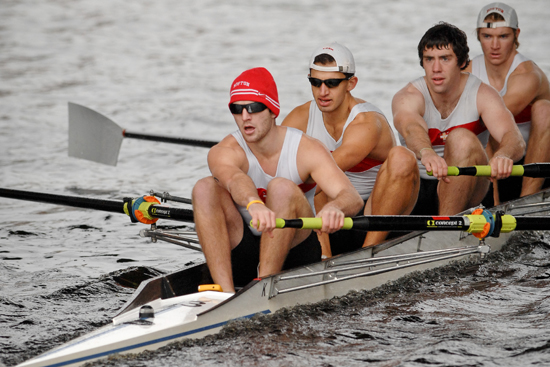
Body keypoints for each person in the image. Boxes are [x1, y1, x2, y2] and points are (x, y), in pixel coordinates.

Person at [192, 67, 363, 293]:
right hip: (245, 248)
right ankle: (224, 294)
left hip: (295, 250)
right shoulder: (225, 150)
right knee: (204, 188)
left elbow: (351, 197)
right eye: (237, 109)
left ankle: (263, 287)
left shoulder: (305, 149)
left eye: (253, 108)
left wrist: (334, 208)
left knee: (280, 187)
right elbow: (234, 179)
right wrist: (254, 203)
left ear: (273, 110)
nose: (245, 117)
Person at [282, 42, 419, 256]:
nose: (323, 91)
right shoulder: (299, 118)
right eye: (316, 82)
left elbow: (324, 173)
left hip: (377, 214)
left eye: (332, 83)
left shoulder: (366, 123)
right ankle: (323, 255)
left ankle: (368, 253)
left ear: (351, 83)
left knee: (402, 156)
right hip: (330, 217)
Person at [392, 22, 525, 215]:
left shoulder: (483, 94)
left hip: (470, 186)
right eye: (429, 59)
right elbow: (411, 127)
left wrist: (503, 155)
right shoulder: (408, 96)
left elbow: (514, 138)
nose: (436, 68)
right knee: (396, 156)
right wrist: (426, 152)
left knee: (461, 138)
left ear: (462, 62)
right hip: (419, 189)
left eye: (445, 59)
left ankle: (447, 228)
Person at [466, 2, 550, 204]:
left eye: (503, 36)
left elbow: (496, 117)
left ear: (516, 35)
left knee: (544, 109)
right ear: (478, 35)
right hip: (495, 163)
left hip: (536, 164)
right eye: (487, 36)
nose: (494, 46)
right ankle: (491, 202)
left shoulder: (528, 74)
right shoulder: (467, 71)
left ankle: (528, 201)